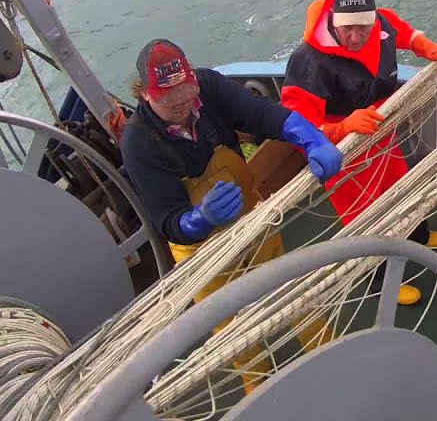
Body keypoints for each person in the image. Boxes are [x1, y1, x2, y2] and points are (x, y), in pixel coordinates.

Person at [120, 39, 344, 394]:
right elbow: (167, 220)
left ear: (194, 80)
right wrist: (200, 220)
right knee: (233, 327)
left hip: (251, 219)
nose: (182, 106)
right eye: (169, 101)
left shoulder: (209, 87)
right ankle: (259, 387)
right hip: (202, 253)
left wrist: (311, 138)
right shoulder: (137, 144)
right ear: (146, 96)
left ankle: (331, 353)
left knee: (291, 290)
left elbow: (261, 113)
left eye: (187, 94)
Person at [281, 0, 437, 305]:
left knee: (401, 186)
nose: (356, 37)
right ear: (334, 21)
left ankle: (418, 235)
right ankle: (380, 279)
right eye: (348, 29)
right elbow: (296, 126)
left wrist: (428, 46)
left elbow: (405, 33)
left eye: (363, 28)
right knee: (365, 214)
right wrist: (342, 127)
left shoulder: (382, 25)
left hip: (380, 132)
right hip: (342, 152)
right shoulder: (308, 61)